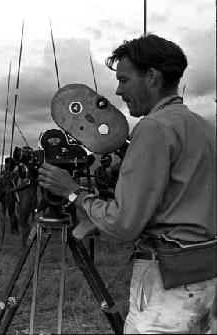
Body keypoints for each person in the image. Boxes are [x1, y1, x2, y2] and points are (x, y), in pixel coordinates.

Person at [38, 34, 216, 333]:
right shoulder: (206, 128)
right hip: (208, 277)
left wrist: (73, 192)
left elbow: (123, 224)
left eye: (123, 79)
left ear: (151, 76)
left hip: (168, 286)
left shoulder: (154, 128)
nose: (118, 91)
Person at [0, 157, 19, 234]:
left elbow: (14, 184)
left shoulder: (14, 174)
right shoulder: (3, 173)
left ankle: (14, 229)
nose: (6, 165)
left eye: (7, 164)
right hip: (4, 195)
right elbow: (1, 184)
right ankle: (4, 230)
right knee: (4, 213)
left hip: (10, 195)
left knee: (12, 213)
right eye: (5, 163)